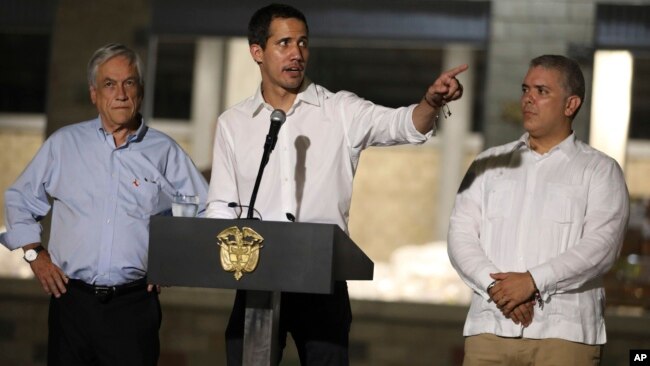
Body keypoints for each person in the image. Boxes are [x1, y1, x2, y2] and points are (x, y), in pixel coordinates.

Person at [205, 3, 467, 365]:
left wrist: (430, 102)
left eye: (303, 43)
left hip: (321, 277)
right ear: (257, 52)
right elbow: (220, 206)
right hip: (258, 276)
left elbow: (402, 124)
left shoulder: (340, 110)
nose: (296, 54)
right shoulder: (233, 123)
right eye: (284, 43)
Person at [0, 43, 208, 365]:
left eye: (129, 83)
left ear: (140, 91)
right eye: (110, 84)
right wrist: (34, 254)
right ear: (94, 94)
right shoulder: (64, 144)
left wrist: (172, 258)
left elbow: (205, 209)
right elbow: (19, 198)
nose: (121, 93)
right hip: (71, 303)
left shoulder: (165, 152)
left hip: (135, 309)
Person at [447, 55, 629, 365]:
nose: (528, 98)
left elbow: (601, 246)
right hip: (490, 329)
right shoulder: (487, 164)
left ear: (570, 105)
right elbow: (460, 236)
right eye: (525, 89)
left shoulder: (600, 170)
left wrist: (532, 281)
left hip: (565, 334)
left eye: (542, 91)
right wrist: (497, 289)